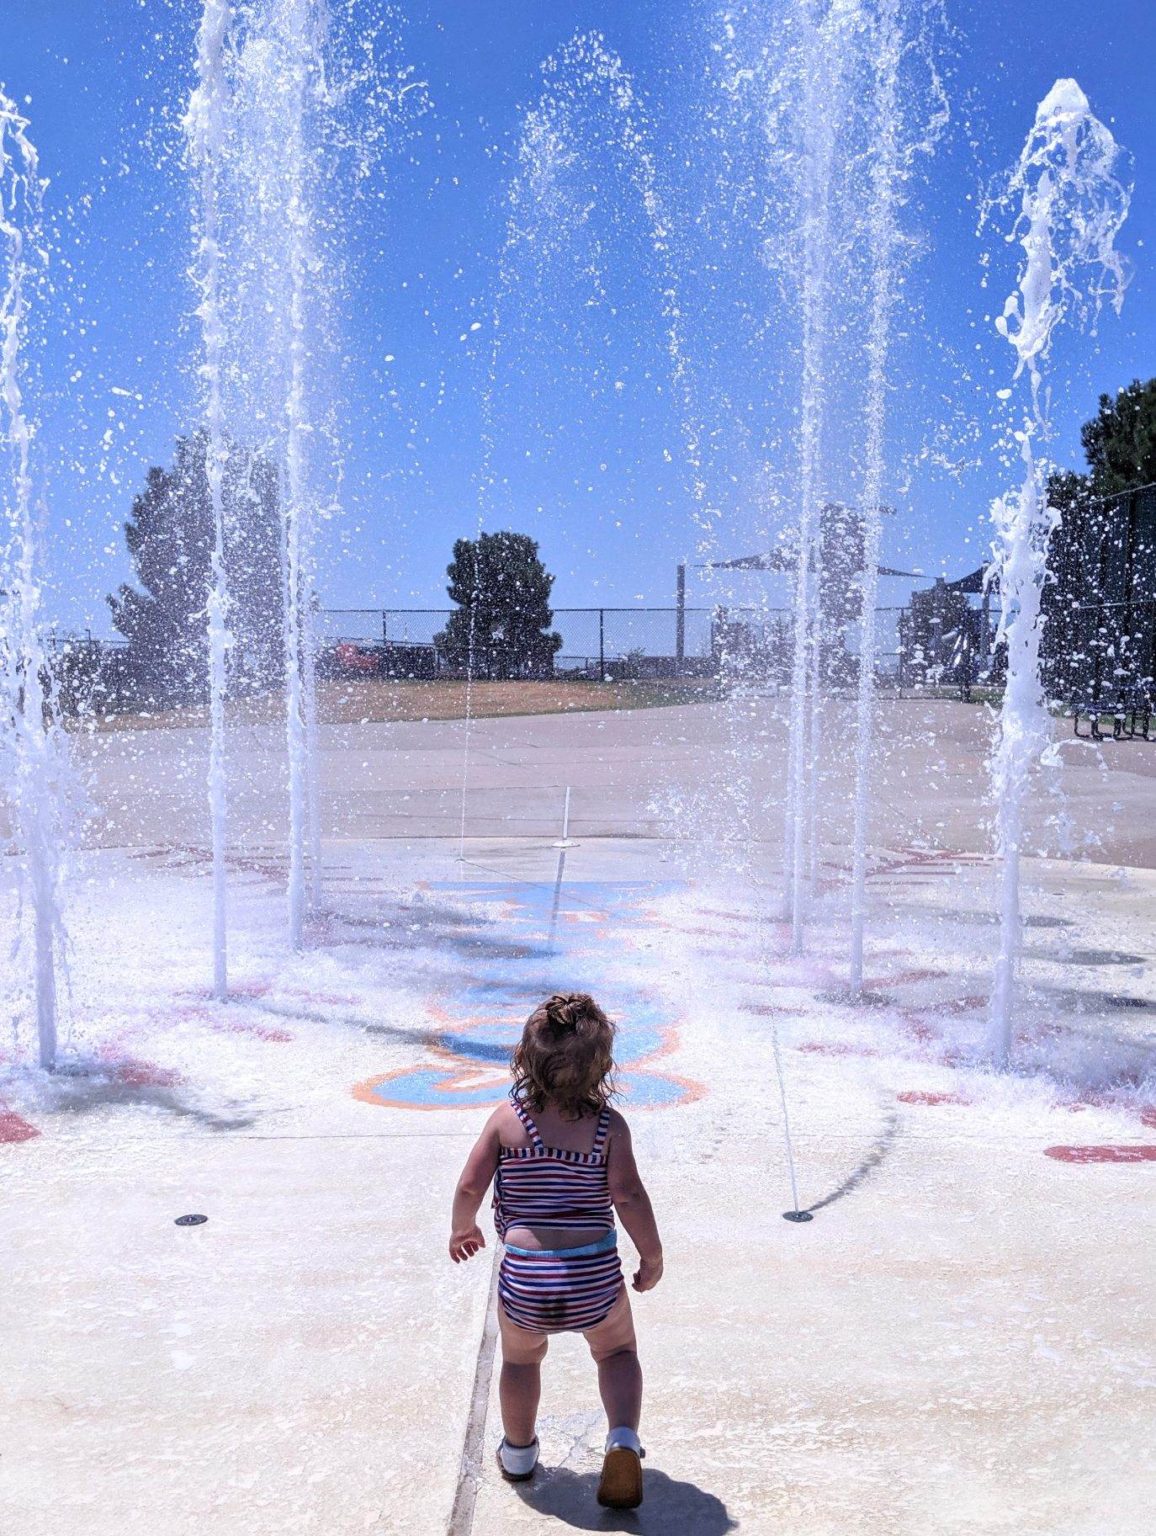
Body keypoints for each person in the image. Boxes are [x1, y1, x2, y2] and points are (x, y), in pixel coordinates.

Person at [449, 992, 664, 1511]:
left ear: (522, 1059)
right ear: (604, 1067)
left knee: (521, 1362)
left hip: (527, 1277)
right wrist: (651, 1256)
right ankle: (622, 1441)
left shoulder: (507, 1120)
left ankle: (519, 1453)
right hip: (593, 1274)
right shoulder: (608, 1128)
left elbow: (470, 1187)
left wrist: (463, 1230)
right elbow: (630, 1197)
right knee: (616, 1351)